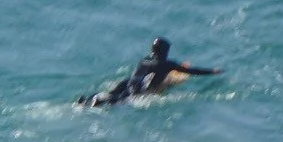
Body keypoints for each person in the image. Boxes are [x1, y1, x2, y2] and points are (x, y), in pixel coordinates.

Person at [79, 38, 223, 108]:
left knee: (115, 92)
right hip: (141, 89)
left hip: (128, 82)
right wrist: (212, 71)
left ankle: (89, 99)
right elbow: (192, 71)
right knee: (120, 100)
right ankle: (98, 101)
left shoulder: (145, 60)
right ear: (165, 51)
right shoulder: (167, 64)